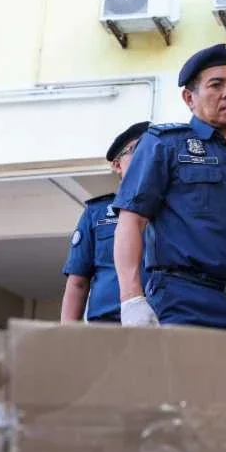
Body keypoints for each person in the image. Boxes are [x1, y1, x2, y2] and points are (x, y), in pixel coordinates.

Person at [112, 43, 226, 331]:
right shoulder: (165, 145)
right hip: (184, 302)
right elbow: (131, 221)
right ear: (189, 97)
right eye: (216, 84)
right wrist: (131, 299)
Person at [60, 122, 150, 324]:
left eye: (151, 149)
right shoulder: (97, 213)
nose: (146, 156)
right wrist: (65, 336)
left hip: (164, 320)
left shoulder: (173, 208)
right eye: (137, 149)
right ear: (117, 165)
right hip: (109, 325)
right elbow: (78, 282)